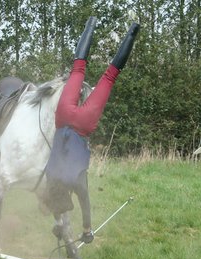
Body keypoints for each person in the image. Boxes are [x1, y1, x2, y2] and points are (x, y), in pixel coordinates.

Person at [44, 17, 140, 244]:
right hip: (64, 118)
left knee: (110, 76)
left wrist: (87, 231)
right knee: (78, 68)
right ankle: (90, 24)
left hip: (83, 124)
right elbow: (56, 202)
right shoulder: (51, 177)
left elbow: (84, 204)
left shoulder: (76, 182)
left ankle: (133, 30)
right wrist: (58, 224)